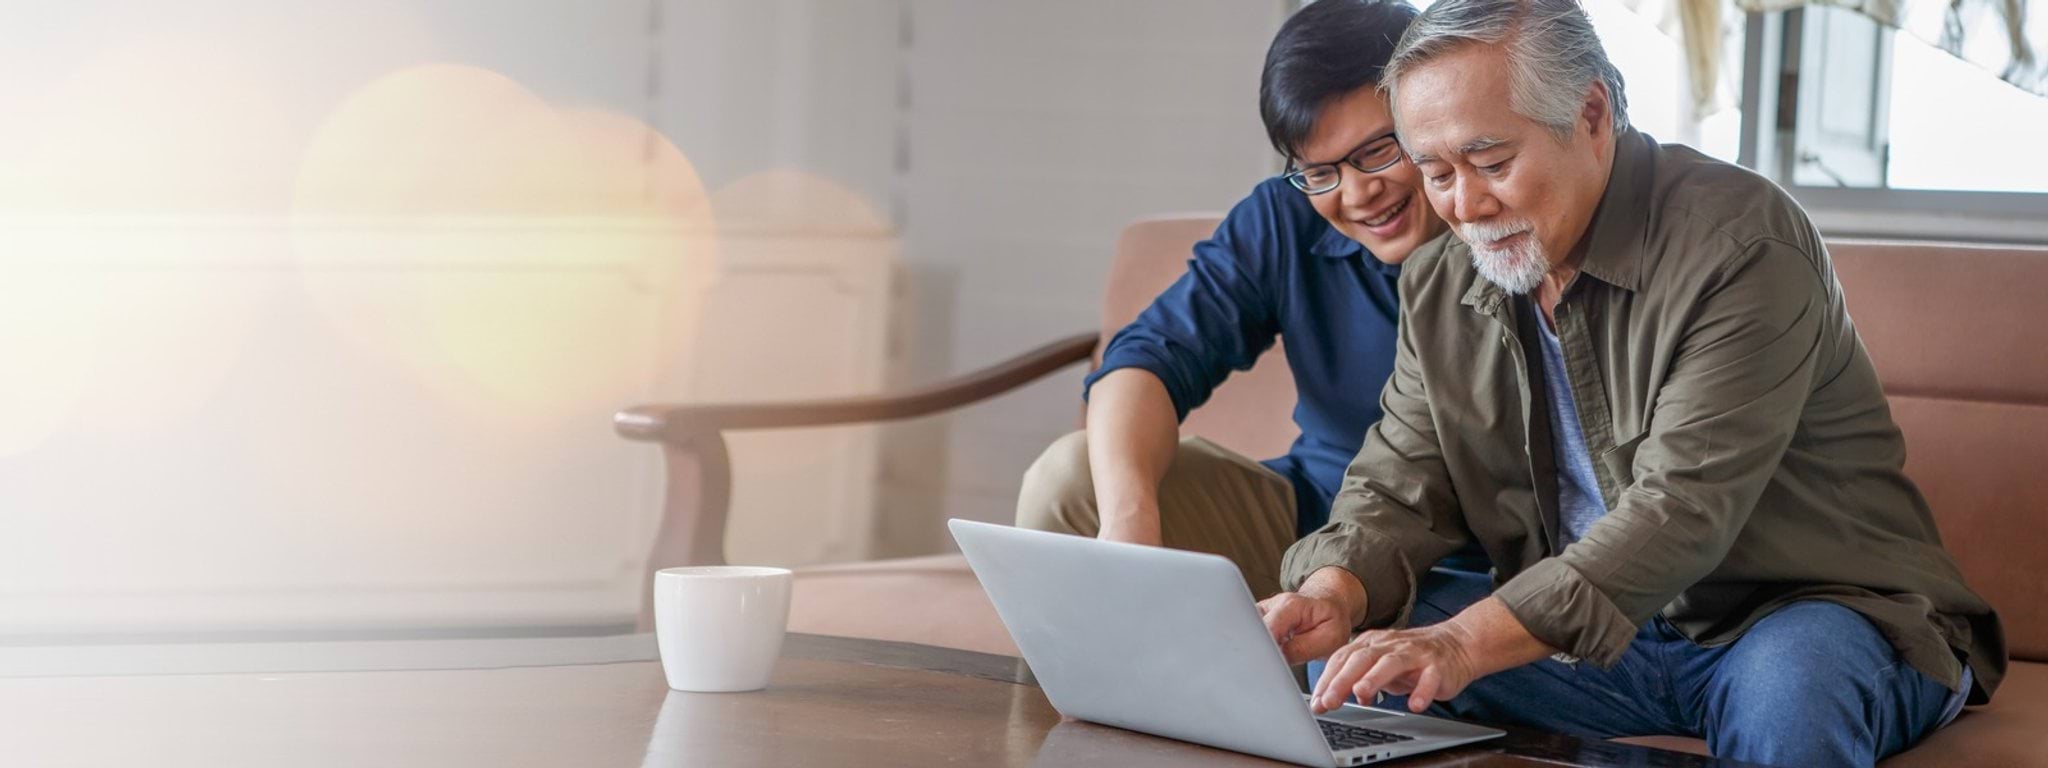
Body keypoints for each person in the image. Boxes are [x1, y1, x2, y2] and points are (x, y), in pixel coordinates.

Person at [1254, 0, 2005, 764]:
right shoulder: (1441, 280)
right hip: (1608, 645)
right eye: (1437, 172)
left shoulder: (1740, 245)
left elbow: (1680, 510)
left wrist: (1463, 641)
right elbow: (1400, 478)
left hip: (1794, 616)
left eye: (1490, 163)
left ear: (1590, 114)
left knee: (1791, 692)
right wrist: (1332, 590)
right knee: (1355, 673)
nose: (1466, 206)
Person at [1014, 0, 1454, 600]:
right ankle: (1101, 694)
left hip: (1471, 556)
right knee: (1068, 483)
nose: (1357, 194)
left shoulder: (1512, 228)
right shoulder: (1285, 216)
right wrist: (1129, 523)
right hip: (1313, 514)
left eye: (1378, 150)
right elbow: (1145, 359)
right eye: (1319, 170)